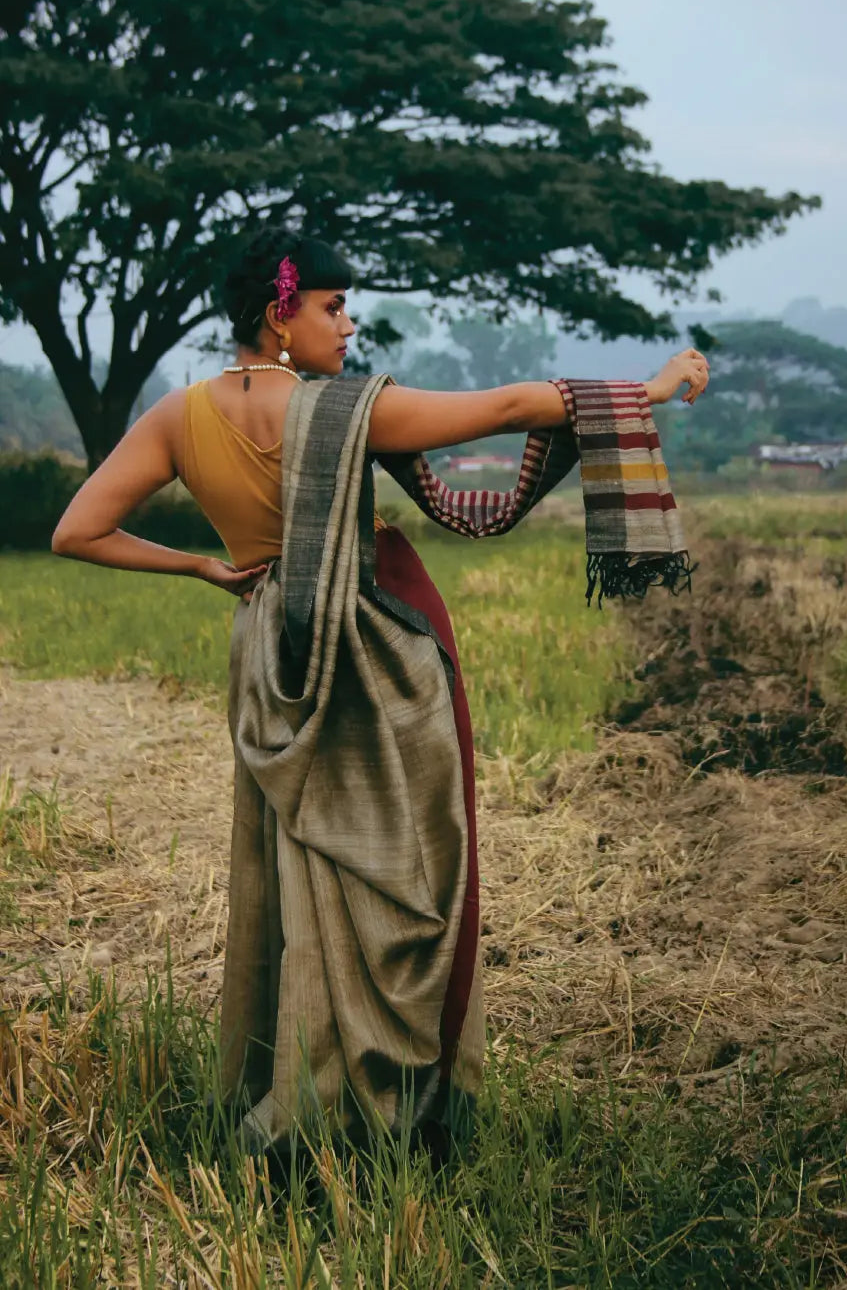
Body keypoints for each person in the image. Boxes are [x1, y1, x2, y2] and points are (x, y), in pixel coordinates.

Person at [52, 227, 709, 1156]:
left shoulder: (177, 417)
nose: (349, 324)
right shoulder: (349, 412)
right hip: (364, 652)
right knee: (403, 872)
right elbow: (513, 404)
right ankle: (378, 1101)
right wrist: (645, 392)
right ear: (281, 314)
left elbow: (78, 531)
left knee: (299, 870)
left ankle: (297, 1090)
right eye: (332, 306)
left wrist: (205, 565)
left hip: (270, 653)